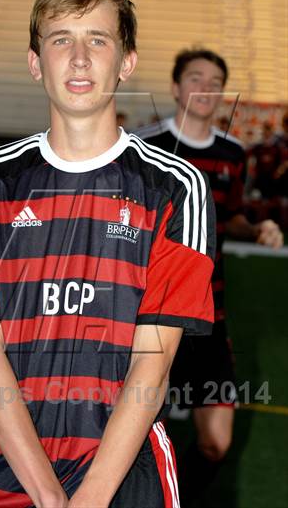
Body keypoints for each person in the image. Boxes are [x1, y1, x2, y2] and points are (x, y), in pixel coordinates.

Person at [0, 0, 216, 508]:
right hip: (3, 466)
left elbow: (152, 365)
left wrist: (89, 498)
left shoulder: (176, 187)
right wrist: (51, 498)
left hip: (122, 473)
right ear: (35, 63)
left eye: (97, 39)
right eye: (60, 39)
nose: (78, 58)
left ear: (126, 63)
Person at [137, 48, 283, 506]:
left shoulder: (233, 153)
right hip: (148, 318)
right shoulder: (143, 148)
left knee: (215, 443)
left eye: (215, 81)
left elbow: (231, 216)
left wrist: (257, 228)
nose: (206, 87)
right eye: (195, 78)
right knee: (130, 439)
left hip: (208, 316)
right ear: (176, 87)